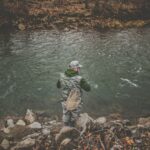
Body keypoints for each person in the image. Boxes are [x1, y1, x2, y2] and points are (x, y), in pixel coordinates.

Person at [57, 60, 91, 126]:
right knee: (75, 115)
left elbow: (58, 86)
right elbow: (88, 89)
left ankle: (66, 125)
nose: (79, 69)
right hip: (75, 102)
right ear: (74, 68)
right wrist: (87, 83)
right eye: (78, 68)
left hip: (64, 100)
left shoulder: (62, 76)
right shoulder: (80, 79)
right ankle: (72, 127)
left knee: (66, 113)